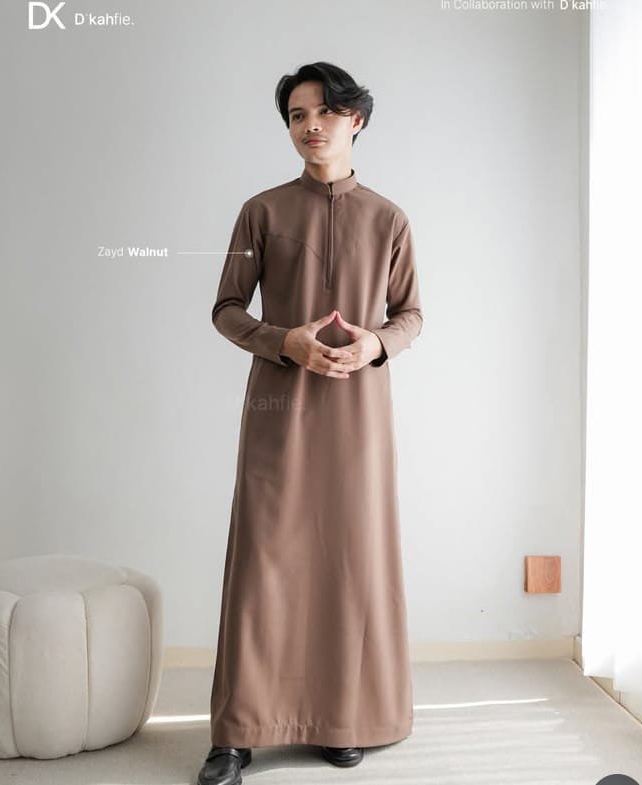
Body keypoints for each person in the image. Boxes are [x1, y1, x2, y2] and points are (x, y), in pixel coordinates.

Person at [197, 61, 423, 785]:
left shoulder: (388, 219)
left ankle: (339, 718)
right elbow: (227, 308)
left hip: (358, 417)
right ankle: (237, 734)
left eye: (325, 112)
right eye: (298, 115)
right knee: (262, 565)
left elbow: (410, 314)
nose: (311, 126)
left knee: (349, 562)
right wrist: (284, 340)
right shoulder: (261, 212)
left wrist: (375, 343)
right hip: (280, 410)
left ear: (356, 119)